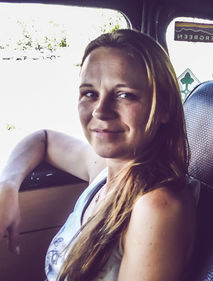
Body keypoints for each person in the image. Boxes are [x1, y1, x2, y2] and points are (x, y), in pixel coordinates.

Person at [0, 29, 197, 281]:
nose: (100, 111)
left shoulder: (156, 207)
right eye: (90, 93)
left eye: (124, 94)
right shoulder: (107, 171)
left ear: (164, 108)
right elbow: (43, 139)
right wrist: (7, 186)